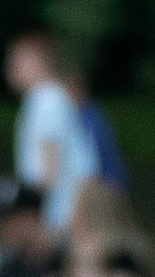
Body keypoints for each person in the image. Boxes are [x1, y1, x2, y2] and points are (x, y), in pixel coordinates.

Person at [6, 30, 98, 233]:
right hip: (63, 212)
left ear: (38, 61)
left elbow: (48, 168)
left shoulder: (45, 99)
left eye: (17, 62)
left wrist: (29, 211)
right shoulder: (51, 97)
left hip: (57, 216)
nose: (11, 69)